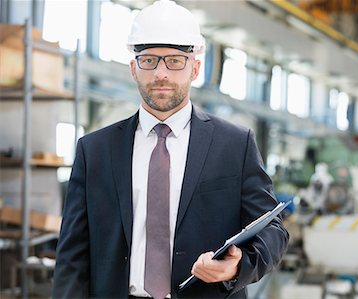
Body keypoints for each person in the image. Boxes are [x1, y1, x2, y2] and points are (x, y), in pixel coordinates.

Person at [52, 1, 289, 298]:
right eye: (149, 60)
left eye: (175, 61)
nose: (161, 74)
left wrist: (239, 265)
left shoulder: (235, 145)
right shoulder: (95, 151)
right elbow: (72, 257)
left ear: (195, 68)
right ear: (133, 68)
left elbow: (273, 230)